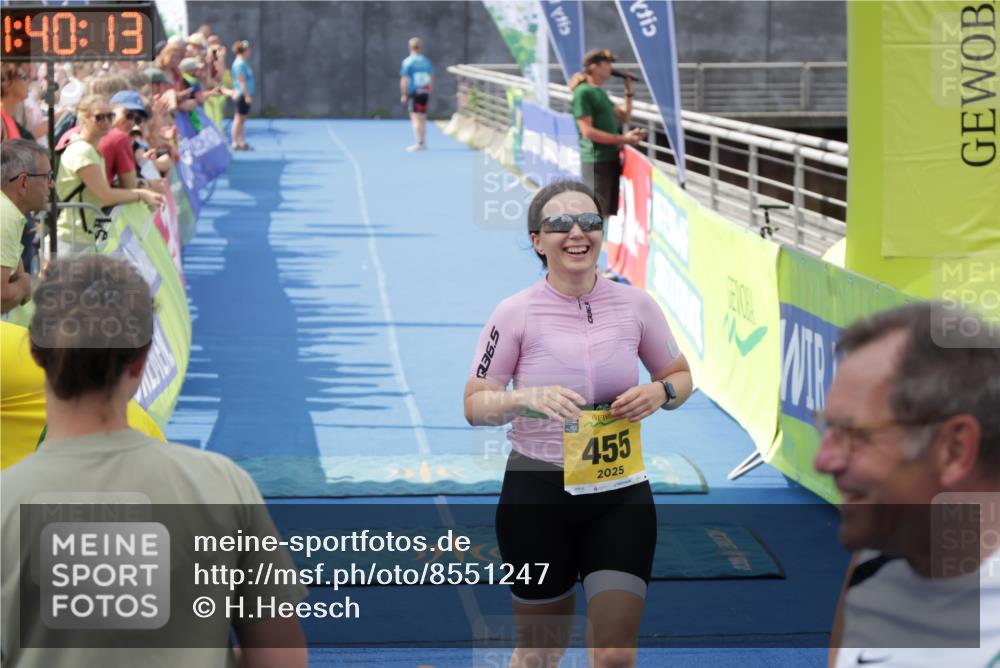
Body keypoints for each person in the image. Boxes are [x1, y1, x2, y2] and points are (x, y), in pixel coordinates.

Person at [0, 254, 309, 667]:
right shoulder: (224, 485)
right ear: (143, 359)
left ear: (36, 354)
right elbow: (281, 659)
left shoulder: (6, 503)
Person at [464, 180, 692, 668]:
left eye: (589, 222)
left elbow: (679, 376)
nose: (576, 233)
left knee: (613, 656)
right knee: (540, 654)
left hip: (620, 494)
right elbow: (475, 404)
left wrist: (661, 392)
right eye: (558, 224)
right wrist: (526, 399)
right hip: (537, 495)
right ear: (536, 240)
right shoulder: (515, 312)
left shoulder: (637, 306)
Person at [814, 303, 1000, 667]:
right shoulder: (883, 550)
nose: (824, 460)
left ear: (955, 449)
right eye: (828, 428)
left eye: (857, 435)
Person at [54, 94, 163, 255]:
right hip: (73, 237)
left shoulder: (90, 149)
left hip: (83, 235)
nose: (106, 122)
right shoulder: (83, 151)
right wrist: (141, 194)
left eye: (109, 116)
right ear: (83, 119)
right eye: (99, 117)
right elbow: (105, 196)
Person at [570, 49, 645, 217]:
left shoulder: (599, 92)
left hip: (609, 159)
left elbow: (624, 116)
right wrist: (624, 139)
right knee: (594, 213)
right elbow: (587, 131)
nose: (611, 68)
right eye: (608, 64)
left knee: (603, 213)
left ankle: (596, 242)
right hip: (596, 161)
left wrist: (629, 92)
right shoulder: (583, 93)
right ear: (595, 67)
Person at [1, 140, 51, 317]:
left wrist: (23, 281)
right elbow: (2, 296)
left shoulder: (7, 210)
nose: (52, 185)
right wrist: (25, 285)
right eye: (48, 177)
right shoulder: (6, 214)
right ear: (23, 182)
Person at [99, 90, 147, 189]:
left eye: (138, 119)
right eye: (129, 115)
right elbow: (130, 187)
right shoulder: (119, 137)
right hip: (91, 202)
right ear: (111, 109)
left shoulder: (91, 128)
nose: (132, 122)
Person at [399, 36, 433, 152]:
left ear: (410, 47)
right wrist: (429, 89)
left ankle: (419, 142)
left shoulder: (408, 61)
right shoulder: (425, 61)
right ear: (421, 47)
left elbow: (404, 79)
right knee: (422, 117)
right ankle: (423, 140)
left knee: (415, 118)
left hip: (414, 92)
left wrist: (404, 93)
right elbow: (431, 77)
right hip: (424, 91)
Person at [231, 40, 255, 151]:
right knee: (239, 118)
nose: (249, 51)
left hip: (243, 93)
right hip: (241, 94)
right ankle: (236, 142)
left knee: (242, 119)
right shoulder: (240, 64)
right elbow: (242, 80)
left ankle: (241, 141)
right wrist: (246, 95)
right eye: (247, 49)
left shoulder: (242, 63)